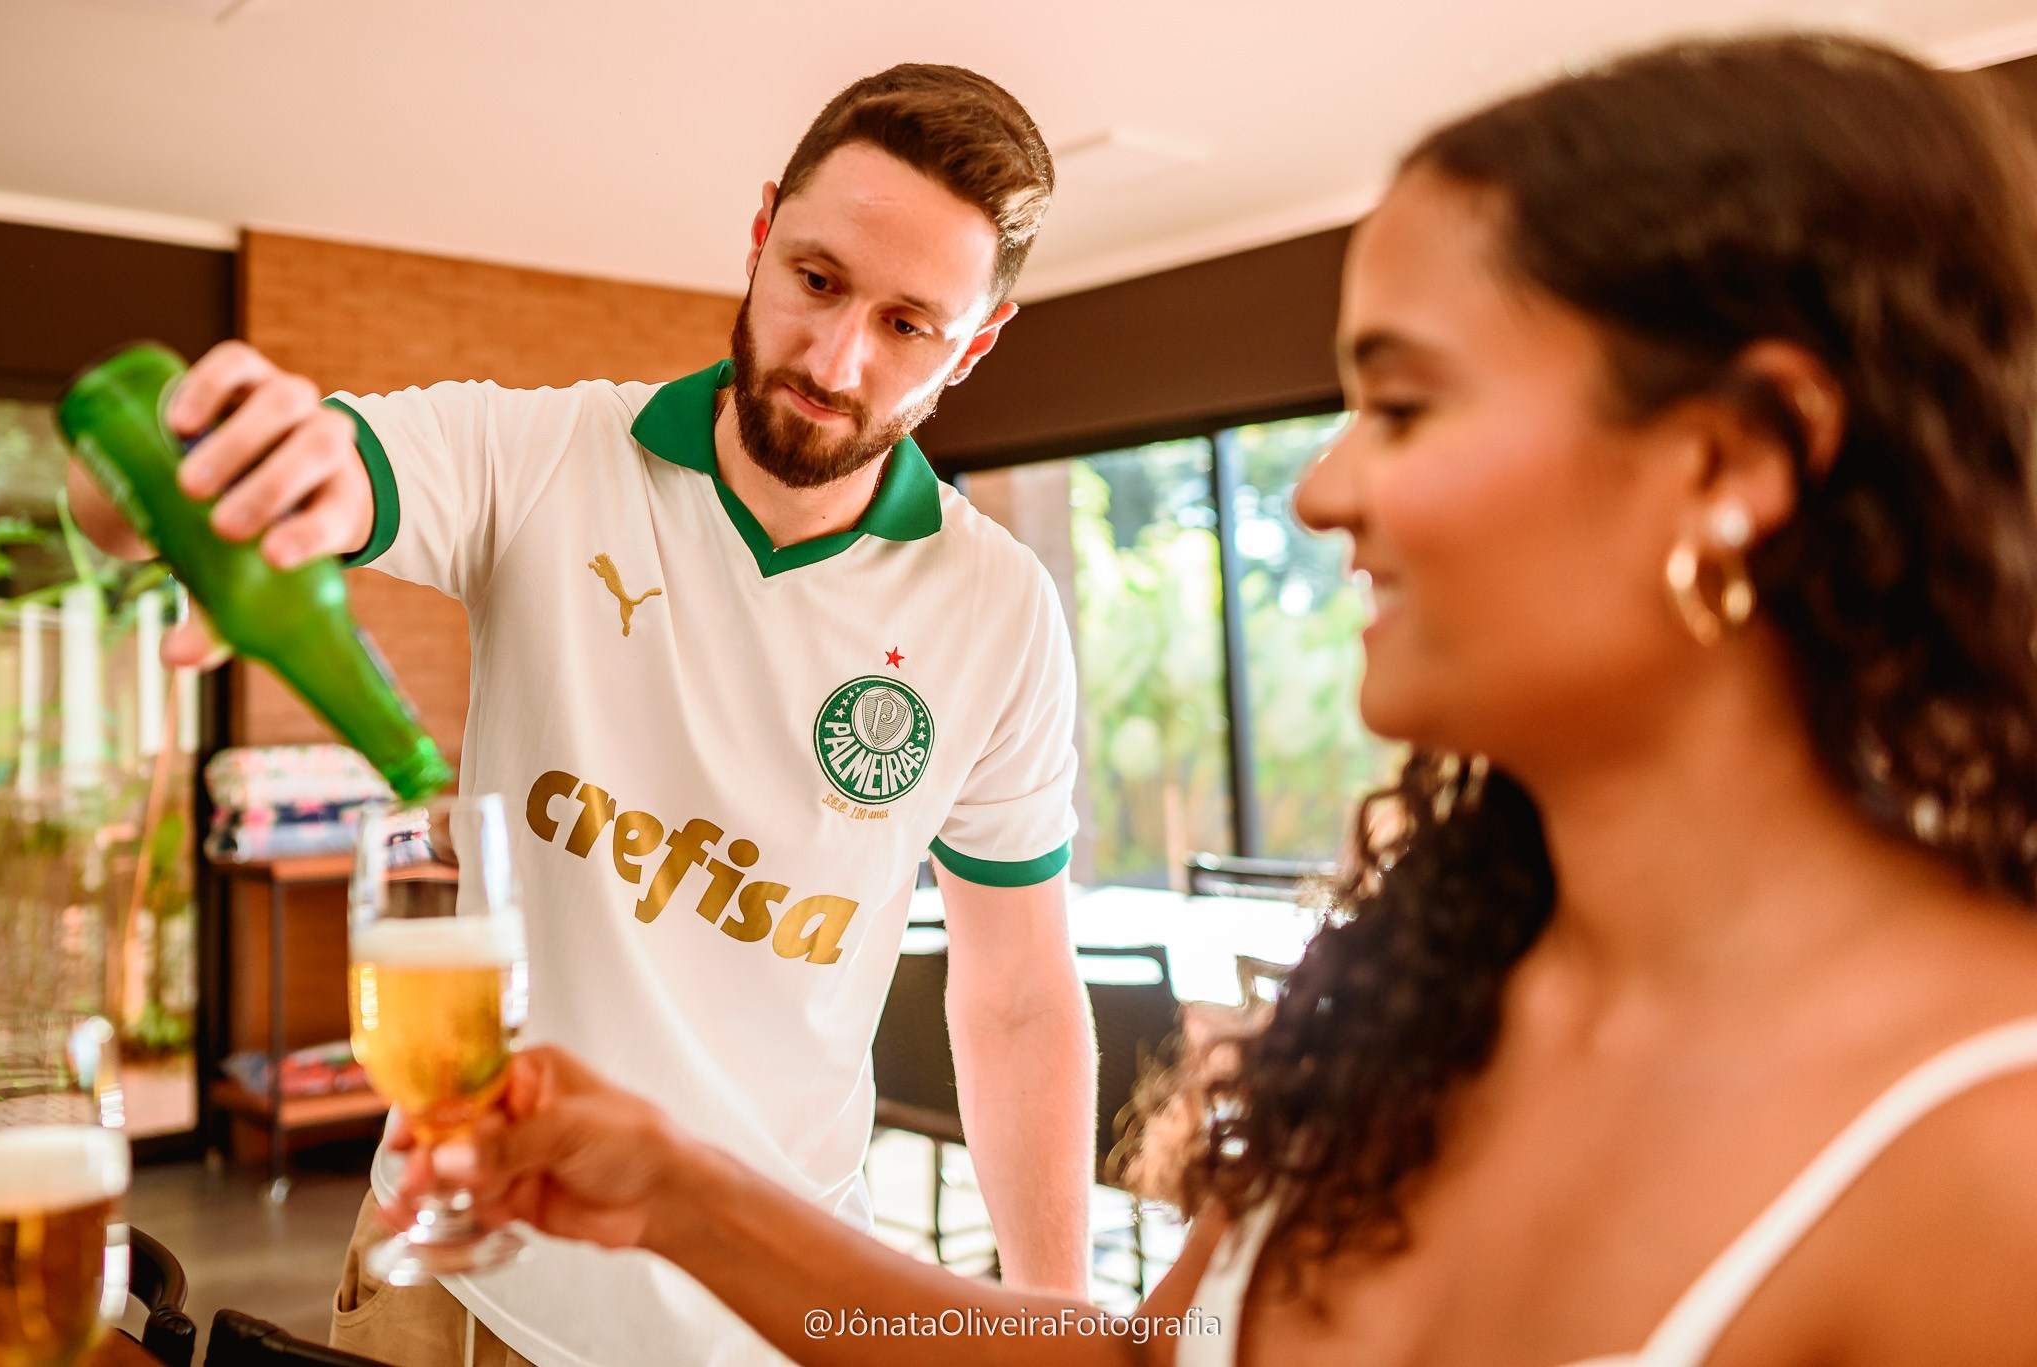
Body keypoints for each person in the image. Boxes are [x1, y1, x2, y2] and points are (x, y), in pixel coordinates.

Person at [390, 32, 2037, 1367]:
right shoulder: (1410, 999)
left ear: (1730, 465)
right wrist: (678, 1195)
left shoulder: (1981, 1150)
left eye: (1400, 400)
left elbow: (1018, 991)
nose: (1319, 494)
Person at [70, 65, 1099, 1367]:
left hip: (770, 1310)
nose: (835, 360)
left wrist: (1061, 1327)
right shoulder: (543, 458)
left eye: (908, 325)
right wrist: (199, 455)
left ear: (977, 342)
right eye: (818, 281)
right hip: (455, 1278)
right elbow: (174, 490)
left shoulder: (998, 613)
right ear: (762, 230)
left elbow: (1013, 995)